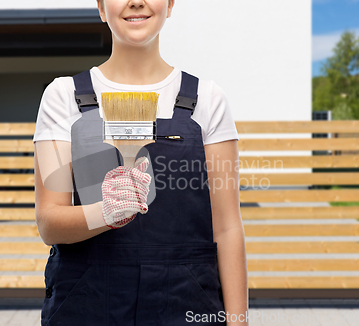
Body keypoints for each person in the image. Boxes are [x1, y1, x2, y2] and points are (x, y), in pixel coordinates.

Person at [32, 0, 249, 325]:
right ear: (102, 8)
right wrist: (106, 212)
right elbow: (49, 223)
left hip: (187, 306)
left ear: (170, 4)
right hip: (87, 307)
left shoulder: (207, 100)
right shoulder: (63, 97)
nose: (136, 1)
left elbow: (228, 227)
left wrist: (238, 321)